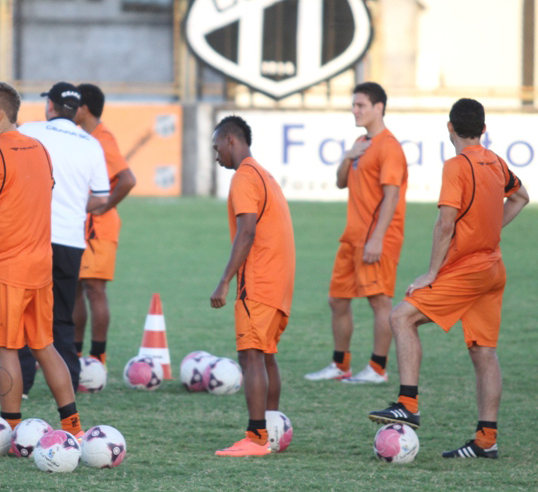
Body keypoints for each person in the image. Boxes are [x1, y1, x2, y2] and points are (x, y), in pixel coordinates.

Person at [369, 99, 529, 459]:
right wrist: (489, 230)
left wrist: (431, 273)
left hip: (467, 270)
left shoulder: (456, 166)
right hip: (493, 269)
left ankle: (408, 403)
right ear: (484, 129)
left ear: (449, 127)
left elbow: (445, 224)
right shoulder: (496, 161)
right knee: (483, 352)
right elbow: (520, 197)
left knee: (401, 316)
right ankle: (486, 440)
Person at [0, 81, 83, 437]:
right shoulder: (39, 149)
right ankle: (73, 425)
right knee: (43, 344)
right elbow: (27, 203)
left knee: (6, 349)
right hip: (40, 264)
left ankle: (10, 430)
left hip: (4, 268)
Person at [305, 82, 408, 384]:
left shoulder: (390, 147)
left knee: (379, 302)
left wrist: (377, 238)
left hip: (378, 239)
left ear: (379, 108)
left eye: (361, 105)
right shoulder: (361, 142)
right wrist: (348, 155)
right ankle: (341, 365)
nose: (355, 110)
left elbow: (391, 196)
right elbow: (341, 182)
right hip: (352, 237)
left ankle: (377, 369)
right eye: (354, 105)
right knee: (337, 300)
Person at [209, 115, 296, 457]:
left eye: (217, 147)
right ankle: (270, 429)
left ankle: (257, 437)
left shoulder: (244, 177)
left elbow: (247, 231)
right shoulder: (265, 175)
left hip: (258, 280)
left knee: (250, 356)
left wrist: (224, 281)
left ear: (231, 140)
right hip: (279, 282)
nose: (216, 156)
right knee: (266, 355)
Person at [16, 82, 110, 395]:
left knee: (24, 313)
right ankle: (68, 382)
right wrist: (73, 208)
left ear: (51, 106)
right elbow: (101, 197)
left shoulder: (31, 130)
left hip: (33, 237)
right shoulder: (90, 144)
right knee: (63, 317)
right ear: (77, 110)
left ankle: (23, 384)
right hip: (71, 241)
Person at [71, 83, 136, 366]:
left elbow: (128, 179)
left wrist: (105, 206)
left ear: (83, 108)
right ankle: (73, 354)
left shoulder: (102, 138)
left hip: (98, 227)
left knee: (94, 289)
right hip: (80, 225)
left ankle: (98, 357)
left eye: (74, 104)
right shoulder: (85, 136)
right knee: (73, 288)